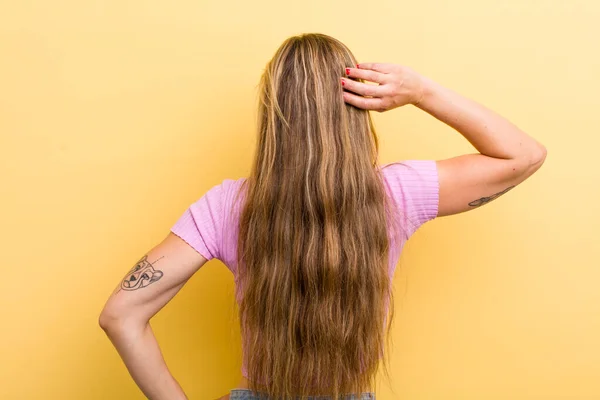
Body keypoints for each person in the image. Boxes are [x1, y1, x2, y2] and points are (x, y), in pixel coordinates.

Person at [99, 33, 547, 400]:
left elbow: (121, 314)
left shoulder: (227, 205)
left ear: (273, 114)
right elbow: (524, 156)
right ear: (357, 107)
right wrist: (420, 91)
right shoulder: (396, 194)